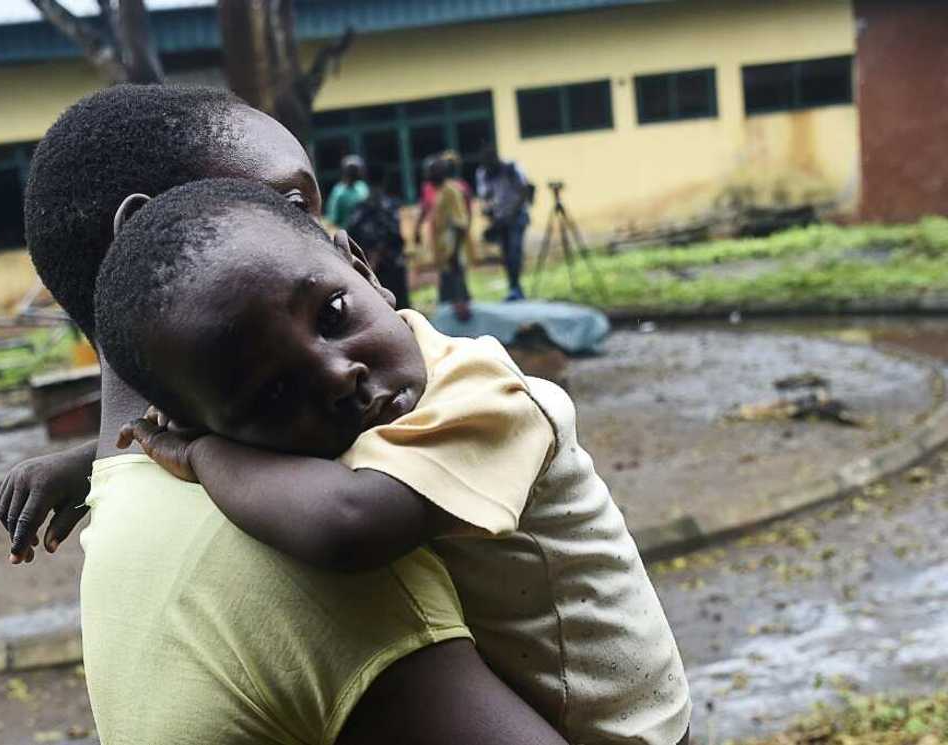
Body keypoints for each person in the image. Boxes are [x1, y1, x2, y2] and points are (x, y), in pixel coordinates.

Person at [0, 84, 575, 745]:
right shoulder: (297, 561)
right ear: (149, 233)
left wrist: (97, 463)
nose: (325, 236)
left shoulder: (131, 491)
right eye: (293, 202)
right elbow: (347, 522)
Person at [98, 178, 692, 745]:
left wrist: (201, 454)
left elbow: (348, 526)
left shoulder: (485, 394)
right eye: (273, 393)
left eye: (332, 314)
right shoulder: (364, 416)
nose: (337, 376)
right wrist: (90, 464)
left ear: (363, 268)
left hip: (621, 727)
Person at [477, 145, 532, 301]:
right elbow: (486, 197)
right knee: (506, 255)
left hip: (517, 216)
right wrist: (491, 217)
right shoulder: (484, 173)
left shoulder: (511, 168)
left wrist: (511, 215)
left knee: (514, 252)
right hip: (501, 220)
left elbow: (524, 192)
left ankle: (516, 287)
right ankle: (514, 288)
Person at [344, 179, 410, 310]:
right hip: (387, 266)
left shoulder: (361, 209)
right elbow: (395, 235)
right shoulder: (390, 206)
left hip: (377, 267)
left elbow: (351, 236)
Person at [430, 156, 472, 321]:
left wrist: (454, 253)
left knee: (459, 298)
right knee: (448, 299)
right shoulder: (440, 192)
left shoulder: (451, 191)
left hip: (453, 252)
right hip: (445, 254)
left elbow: (460, 224)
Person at [325, 154, 370, 228]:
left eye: (357, 170)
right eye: (352, 170)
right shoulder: (339, 191)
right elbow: (332, 218)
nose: (355, 172)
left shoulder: (363, 186)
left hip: (366, 231)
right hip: (348, 233)